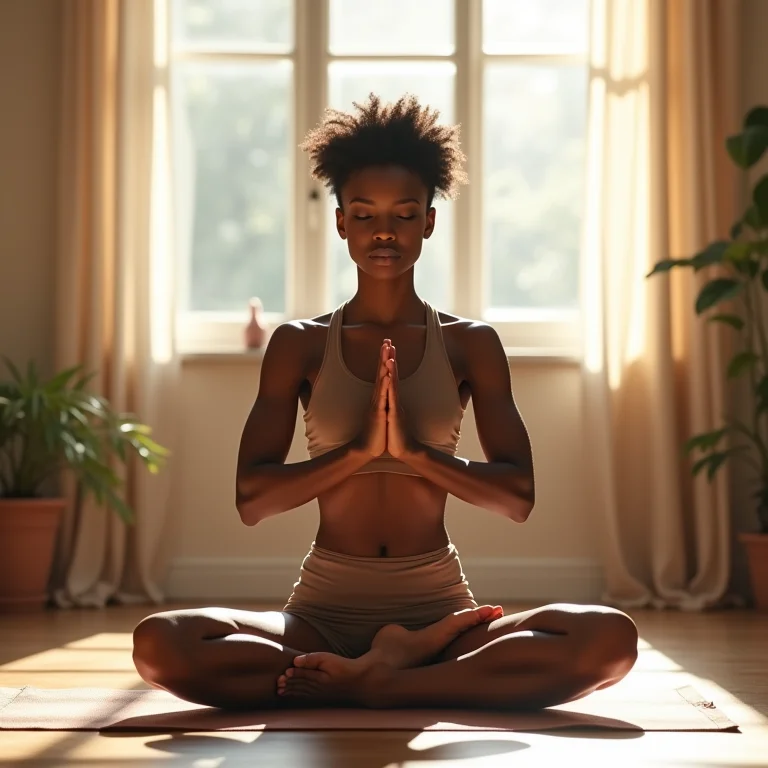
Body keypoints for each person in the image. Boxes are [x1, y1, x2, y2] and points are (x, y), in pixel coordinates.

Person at [132, 94, 638, 711]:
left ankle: (383, 679)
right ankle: (386, 676)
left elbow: (517, 498)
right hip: (320, 611)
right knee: (162, 643)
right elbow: (252, 500)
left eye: (403, 214)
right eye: (366, 214)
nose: (384, 232)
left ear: (428, 221)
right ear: (342, 222)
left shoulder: (469, 344)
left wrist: (413, 453)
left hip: (437, 611)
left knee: (610, 639)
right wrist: (361, 452)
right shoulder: (300, 344)